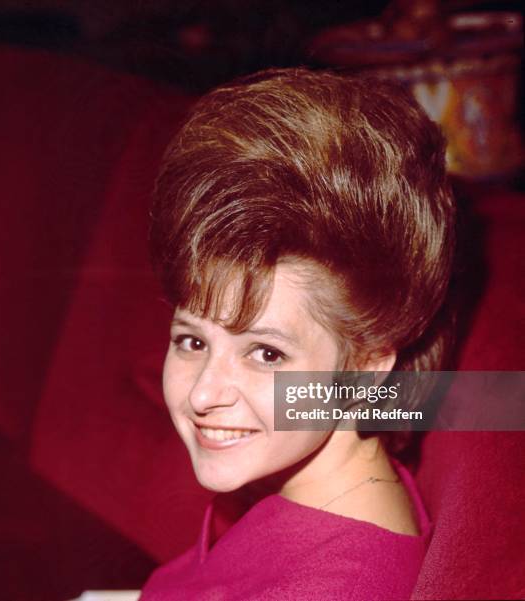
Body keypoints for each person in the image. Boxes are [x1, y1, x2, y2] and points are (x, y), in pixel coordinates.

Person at [139, 68, 455, 600]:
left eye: (266, 353)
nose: (202, 394)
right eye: (192, 341)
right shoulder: (307, 483)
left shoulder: (335, 584)